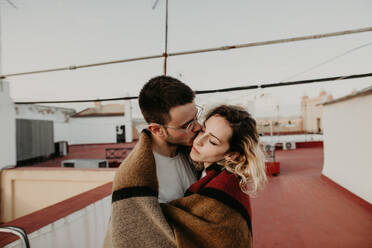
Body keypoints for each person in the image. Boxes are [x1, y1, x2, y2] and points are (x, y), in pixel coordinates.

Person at [104, 103, 267, 248]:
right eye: (203, 129)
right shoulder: (198, 168)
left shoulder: (227, 190)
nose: (199, 141)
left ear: (232, 155)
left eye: (213, 141)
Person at [103, 75, 202, 247]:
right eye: (187, 125)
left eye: (196, 117)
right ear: (157, 130)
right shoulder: (134, 176)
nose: (198, 127)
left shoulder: (195, 153)